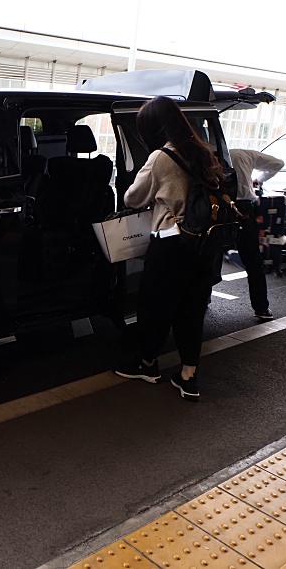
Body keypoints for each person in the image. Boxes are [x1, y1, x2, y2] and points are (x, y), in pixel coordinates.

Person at [113, 96, 227, 401]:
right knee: (192, 308)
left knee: (155, 305)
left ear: (153, 127)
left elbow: (132, 198)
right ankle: (189, 376)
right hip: (202, 243)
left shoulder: (162, 158)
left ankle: (148, 364)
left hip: (172, 243)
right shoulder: (203, 152)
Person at [229, 148, 284, 320]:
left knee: (210, 256)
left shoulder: (210, 152)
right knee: (253, 261)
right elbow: (278, 164)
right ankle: (261, 308)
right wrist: (257, 180)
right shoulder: (244, 154)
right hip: (244, 208)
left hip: (217, 207)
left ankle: (203, 300)